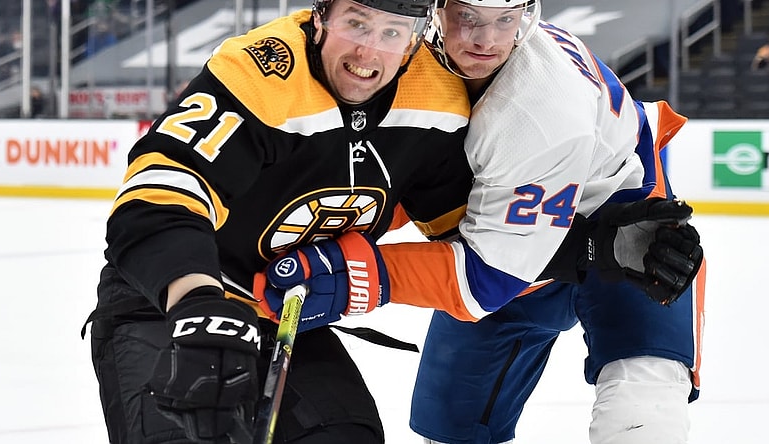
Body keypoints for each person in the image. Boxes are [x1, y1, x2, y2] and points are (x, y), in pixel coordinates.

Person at [256, 1, 705, 443]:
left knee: (642, 416)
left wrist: (349, 271)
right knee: (451, 431)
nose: (486, 39)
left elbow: (485, 279)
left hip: (627, 236)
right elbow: (395, 181)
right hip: (503, 234)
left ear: (524, 17)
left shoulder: (538, 112)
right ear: (434, 11)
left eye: (504, 20)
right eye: (467, 16)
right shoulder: (404, 61)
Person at [85, 1, 475, 443]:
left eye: (392, 32)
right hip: (171, 303)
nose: (368, 52)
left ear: (417, 36)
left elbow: (470, 230)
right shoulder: (262, 70)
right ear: (321, 16)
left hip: (283, 309)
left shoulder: (438, 95)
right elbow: (157, 196)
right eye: (356, 23)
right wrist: (195, 303)